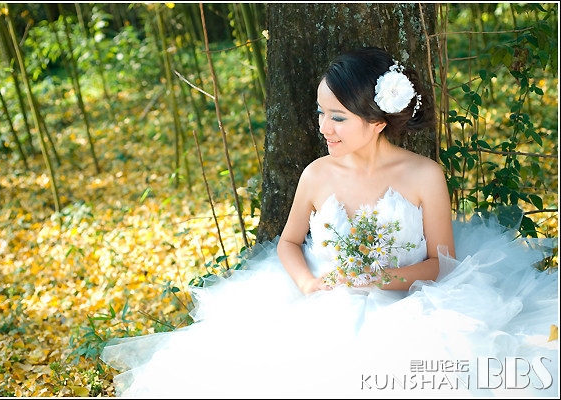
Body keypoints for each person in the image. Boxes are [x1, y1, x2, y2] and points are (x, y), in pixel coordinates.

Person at [101, 47, 558, 398]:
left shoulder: (423, 175)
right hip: (323, 301)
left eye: (338, 117)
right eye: (321, 112)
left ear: (378, 121)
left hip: (409, 306)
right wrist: (307, 284)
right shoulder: (317, 175)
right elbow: (288, 242)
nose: (324, 126)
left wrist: (382, 278)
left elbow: (443, 263)